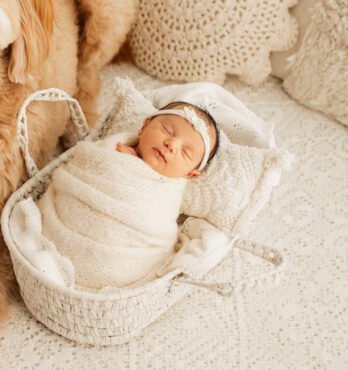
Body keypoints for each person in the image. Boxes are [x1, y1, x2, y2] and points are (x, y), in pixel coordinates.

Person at [11, 101, 220, 290]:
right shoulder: (110, 150)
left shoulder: (166, 193)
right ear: (145, 125)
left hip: (120, 256)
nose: (172, 144)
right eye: (167, 129)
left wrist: (135, 166)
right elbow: (79, 169)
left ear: (189, 174)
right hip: (66, 224)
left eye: (185, 152)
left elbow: (155, 224)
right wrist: (124, 162)